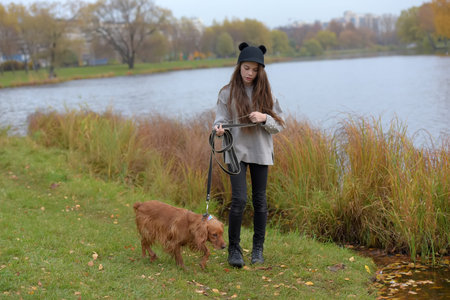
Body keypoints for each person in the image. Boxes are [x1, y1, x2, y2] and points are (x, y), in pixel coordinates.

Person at [213, 42, 285, 268]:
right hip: (235, 152)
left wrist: (264, 118)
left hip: (260, 152)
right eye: (246, 69)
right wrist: (219, 129)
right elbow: (218, 119)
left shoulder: (267, 94)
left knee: (260, 201)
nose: (250, 74)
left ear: (260, 71)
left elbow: (279, 126)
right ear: (239, 67)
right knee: (239, 200)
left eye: (254, 70)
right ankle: (234, 249)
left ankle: (257, 250)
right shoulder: (226, 92)